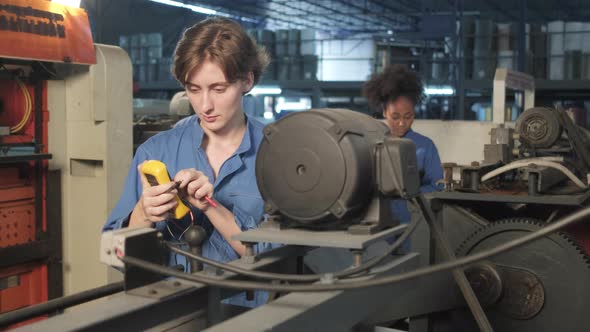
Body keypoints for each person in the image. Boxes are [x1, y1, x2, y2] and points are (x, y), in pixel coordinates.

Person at [103, 17, 275, 307]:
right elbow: (115, 255)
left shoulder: (277, 153)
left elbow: (276, 259)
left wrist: (210, 206)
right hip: (173, 314)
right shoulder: (154, 152)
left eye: (219, 89)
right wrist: (143, 215)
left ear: (247, 80)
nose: (205, 105)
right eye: (194, 89)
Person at [363, 64, 444, 226]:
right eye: (395, 116)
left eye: (408, 116)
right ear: (384, 112)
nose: (401, 123)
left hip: (412, 220)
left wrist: (411, 194)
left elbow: (437, 185)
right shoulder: (372, 143)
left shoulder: (425, 146)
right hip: (376, 221)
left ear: (414, 113)